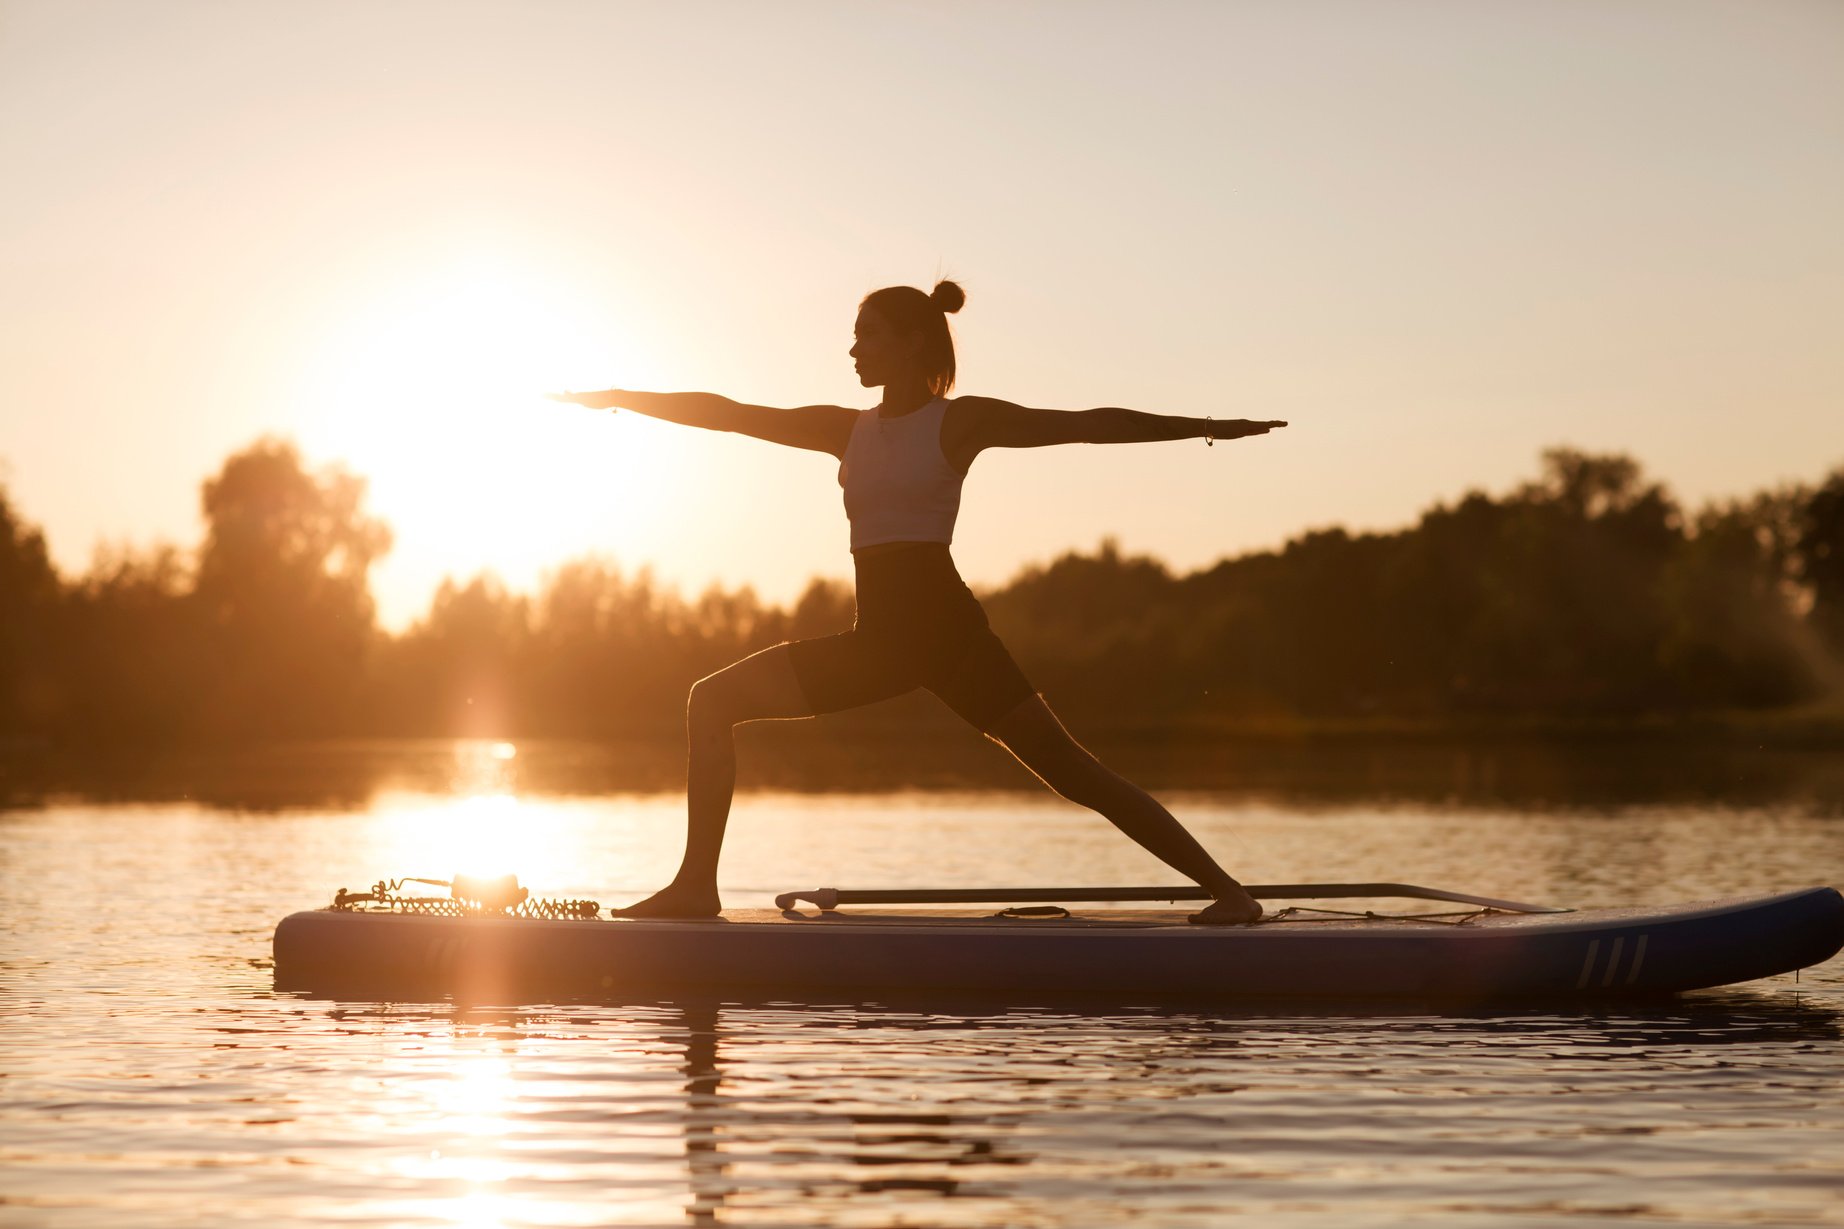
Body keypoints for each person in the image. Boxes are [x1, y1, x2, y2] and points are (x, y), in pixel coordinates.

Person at [549, 280, 1286, 924]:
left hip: (950, 637)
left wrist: (1206, 427)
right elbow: (730, 411)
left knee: (1075, 773)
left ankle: (1230, 893)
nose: (852, 351)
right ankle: (695, 886)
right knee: (710, 700)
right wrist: (619, 398)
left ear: (907, 342)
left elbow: (1088, 424)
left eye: (866, 335)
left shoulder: (958, 422)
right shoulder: (846, 430)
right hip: (878, 645)